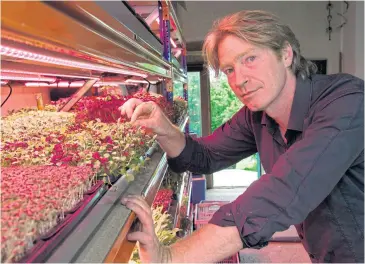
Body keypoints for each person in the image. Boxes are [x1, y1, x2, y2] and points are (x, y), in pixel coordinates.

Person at [120, 10, 364, 263]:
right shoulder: (256, 116)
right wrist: (164, 127)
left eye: (250, 59)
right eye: (229, 69)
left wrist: (170, 258)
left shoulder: (347, 102)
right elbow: (204, 156)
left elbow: (286, 191)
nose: (239, 80)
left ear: (286, 54)